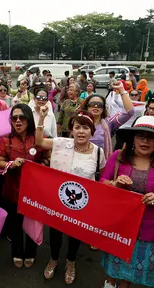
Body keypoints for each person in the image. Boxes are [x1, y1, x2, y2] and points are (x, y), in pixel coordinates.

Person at [100, 116, 154, 288]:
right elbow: (102, 182)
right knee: (113, 270)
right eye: (140, 136)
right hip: (119, 225)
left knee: (129, 274)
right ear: (133, 138)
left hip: (148, 229)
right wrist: (115, 184)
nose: (145, 141)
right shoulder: (118, 156)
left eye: (151, 138)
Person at [36, 109, 106, 284]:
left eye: (85, 128)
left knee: (75, 234)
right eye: (77, 127)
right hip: (58, 200)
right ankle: (53, 259)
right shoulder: (61, 143)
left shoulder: (98, 152)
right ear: (71, 130)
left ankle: (71, 262)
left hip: (81, 204)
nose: (81, 131)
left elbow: (102, 176)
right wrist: (42, 118)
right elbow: (39, 142)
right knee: (55, 232)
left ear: (92, 131)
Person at [0, 104, 50, 269]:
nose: (18, 121)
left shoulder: (39, 138)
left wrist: (41, 165)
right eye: (14, 118)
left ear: (28, 119)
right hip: (13, 191)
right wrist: (11, 164)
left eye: (22, 117)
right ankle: (17, 253)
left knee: (33, 223)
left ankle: (31, 253)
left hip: (35, 192)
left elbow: (48, 158)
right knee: (16, 224)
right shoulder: (5, 140)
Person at [82, 86, 134, 159]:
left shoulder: (109, 122)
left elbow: (130, 112)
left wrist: (122, 90)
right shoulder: (79, 122)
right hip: (81, 160)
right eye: (92, 104)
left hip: (101, 163)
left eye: (100, 105)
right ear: (87, 107)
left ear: (103, 108)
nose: (96, 106)